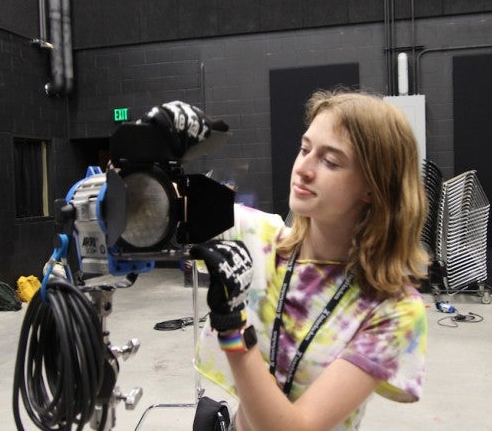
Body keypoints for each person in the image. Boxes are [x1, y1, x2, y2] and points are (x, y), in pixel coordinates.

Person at [155, 90, 429, 430]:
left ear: (373, 187)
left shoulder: (393, 310)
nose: (304, 168)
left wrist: (234, 329)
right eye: (305, 149)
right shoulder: (260, 239)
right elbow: (143, 211)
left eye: (330, 161)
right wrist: (150, 148)